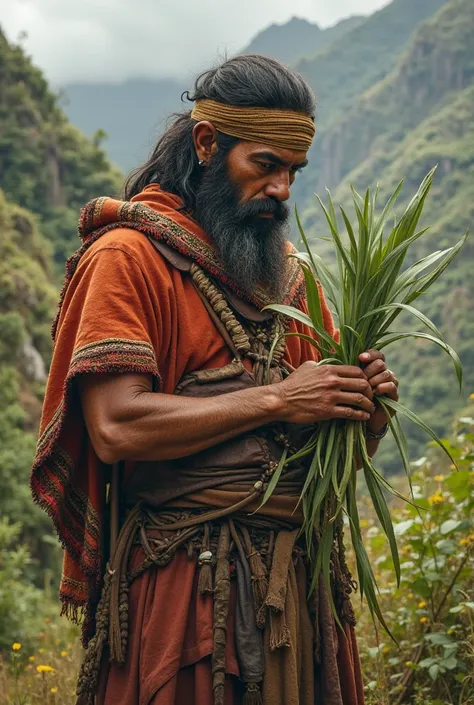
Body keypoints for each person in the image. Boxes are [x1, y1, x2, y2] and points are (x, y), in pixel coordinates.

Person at [31, 54, 399, 705]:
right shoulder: (128, 257)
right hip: (186, 591)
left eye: (293, 171)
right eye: (265, 164)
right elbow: (117, 426)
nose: (283, 188)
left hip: (303, 601)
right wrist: (279, 397)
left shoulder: (293, 281)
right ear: (208, 143)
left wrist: (361, 415)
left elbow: (326, 466)